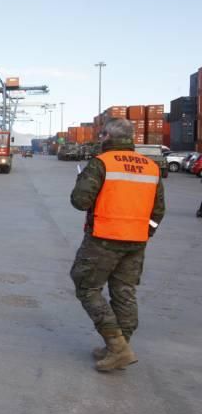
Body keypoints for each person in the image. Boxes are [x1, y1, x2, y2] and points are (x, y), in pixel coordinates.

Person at [69, 118, 165, 372]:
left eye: (101, 136)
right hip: (136, 241)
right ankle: (119, 347)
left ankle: (117, 345)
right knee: (124, 292)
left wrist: (82, 182)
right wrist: (144, 232)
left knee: (86, 286)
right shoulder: (151, 167)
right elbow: (158, 211)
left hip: (104, 238)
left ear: (108, 137)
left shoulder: (102, 163)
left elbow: (80, 201)